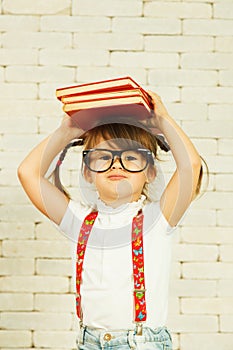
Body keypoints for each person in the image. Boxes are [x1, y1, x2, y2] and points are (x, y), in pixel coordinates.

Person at [18, 91, 204, 350]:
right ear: (87, 171)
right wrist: (67, 132)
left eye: (130, 158)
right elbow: (28, 173)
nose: (116, 165)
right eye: (103, 157)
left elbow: (190, 167)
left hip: (141, 344)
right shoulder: (79, 221)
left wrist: (163, 120)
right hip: (89, 342)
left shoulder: (157, 218)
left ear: (150, 172)